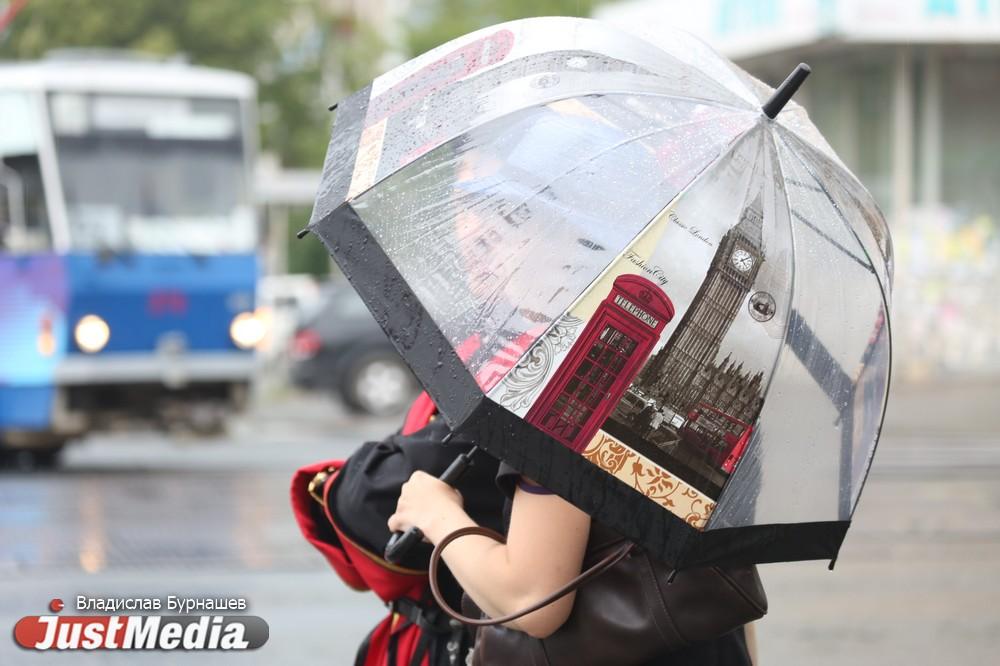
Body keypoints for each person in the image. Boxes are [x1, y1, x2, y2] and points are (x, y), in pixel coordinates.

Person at [388, 447, 757, 664]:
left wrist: (437, 516)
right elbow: (730, 573)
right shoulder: (734, 399)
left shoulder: (570, 401)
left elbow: (532, 599)